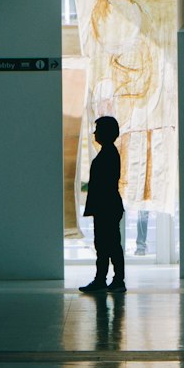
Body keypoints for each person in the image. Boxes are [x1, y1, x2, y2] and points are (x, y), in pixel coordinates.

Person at [79, 115, 126, 293]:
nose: (94, 133)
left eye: (97, 130)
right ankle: (106, 279)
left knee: (109, 244)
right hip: (107, 206)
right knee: (106, 244)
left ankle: (113, 280)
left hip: (106, 207)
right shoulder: (109, 152)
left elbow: (103, 184)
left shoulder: (108, 154)